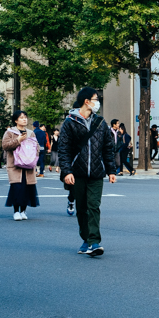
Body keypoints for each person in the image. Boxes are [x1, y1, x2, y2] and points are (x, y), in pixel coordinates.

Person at [59, 87, 117, 256]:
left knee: (94, 206)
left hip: (97, 173)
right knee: (82, 208)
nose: (97, 101)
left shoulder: (100, 122)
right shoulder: (69, 122)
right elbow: (64, 149)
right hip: (77, 172)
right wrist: (67, 171)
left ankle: (94, 241)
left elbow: (108, 148)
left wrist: (111, 170)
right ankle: (86, 239)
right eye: (95, 98)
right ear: (86, 101)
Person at [3, 110, 40, 221]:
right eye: (21, 117)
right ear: (15, 120)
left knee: (28, 187)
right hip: (15, 165)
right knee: (17, 187)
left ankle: (23, 211)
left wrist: (35, 158)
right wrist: (18, 140)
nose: (24, 119)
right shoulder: (10, 132)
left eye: (25, 117)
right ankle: (16, 211)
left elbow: (36, 147)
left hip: (29, 164)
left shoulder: (31, 133)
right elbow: (5, 146)